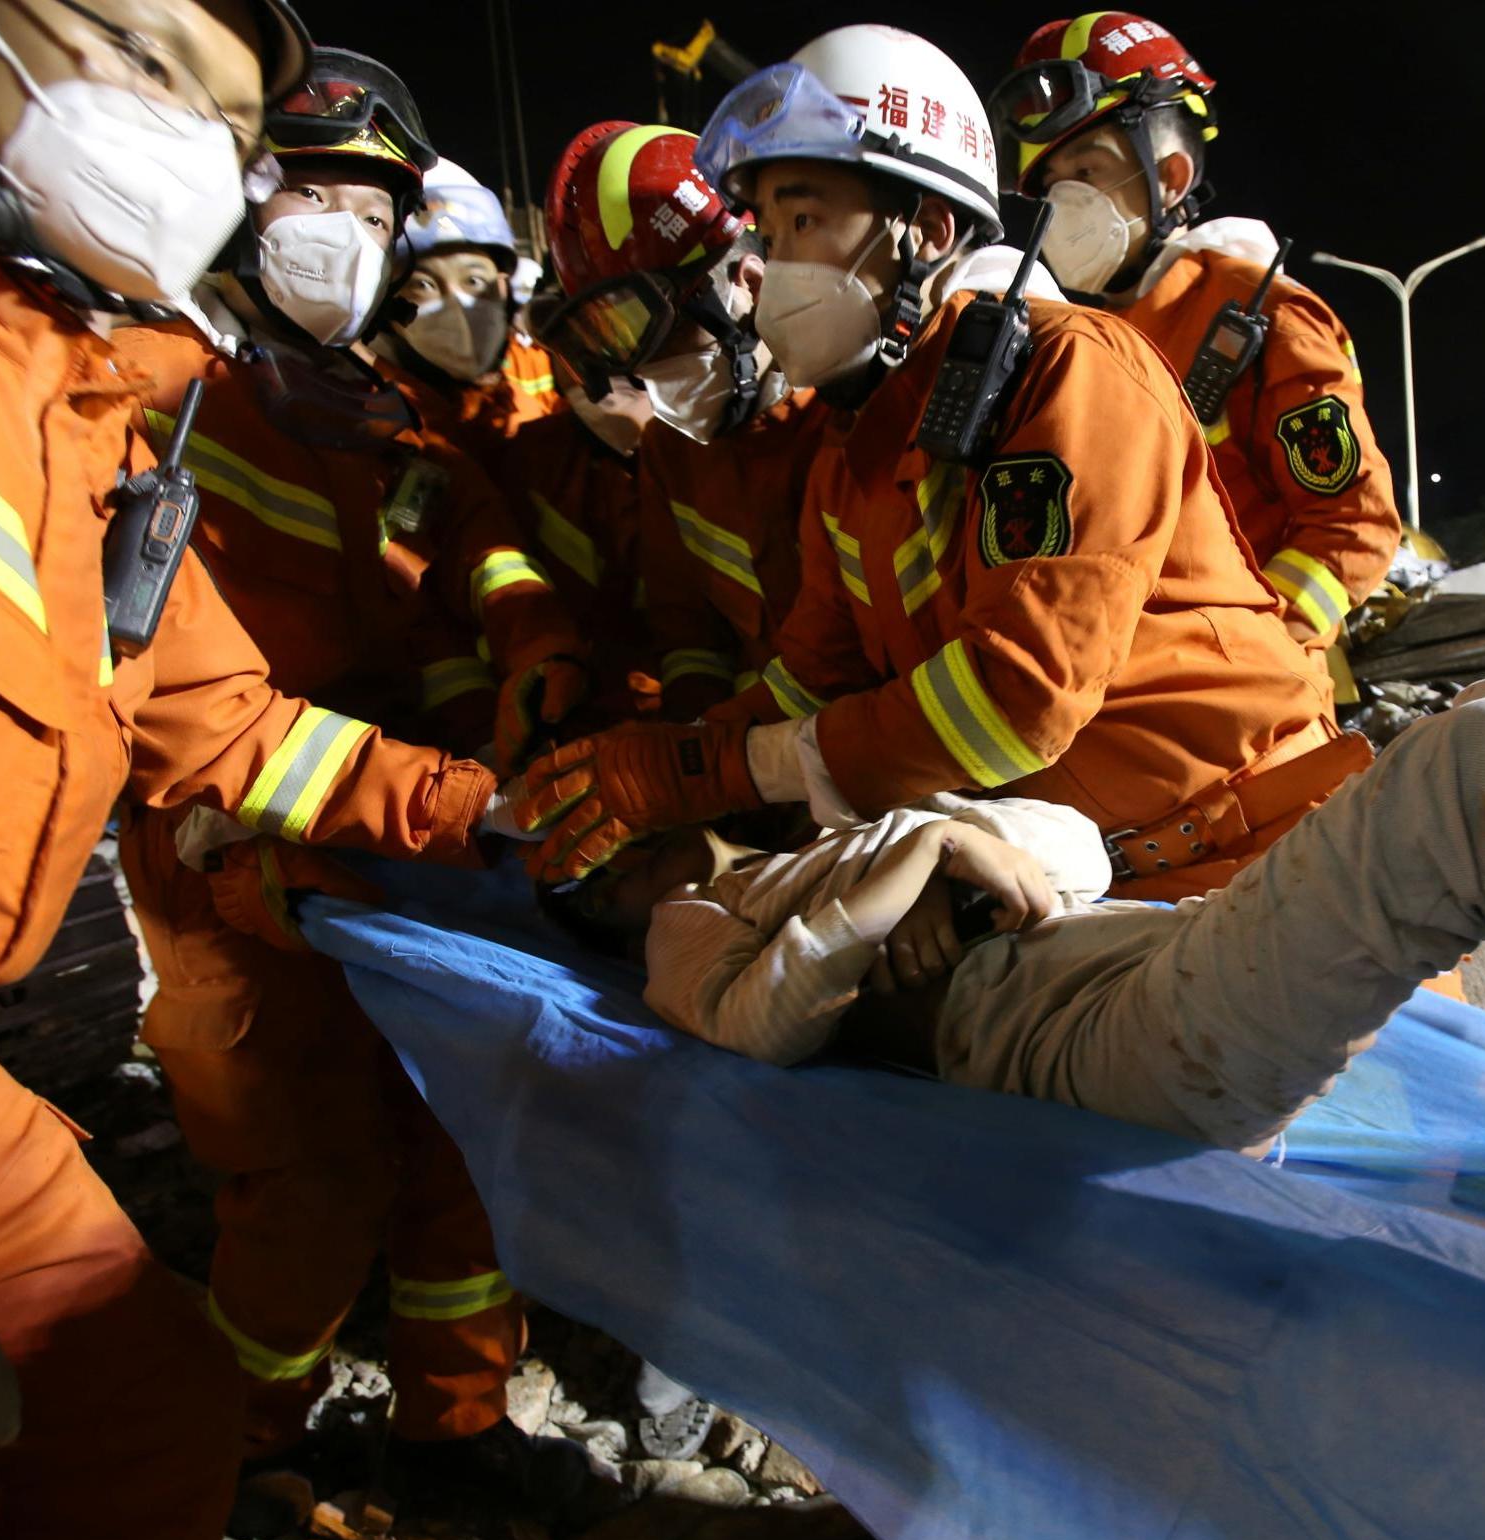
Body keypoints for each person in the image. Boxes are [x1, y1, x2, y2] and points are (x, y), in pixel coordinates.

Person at [0, 2, 534, 1540]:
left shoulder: (71, 396)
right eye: (138, 57)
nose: (181, 144)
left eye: (221, 116)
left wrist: (492, 812)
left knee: (134, 1417)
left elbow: (230, 722)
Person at [560, 660, 1485, 1413]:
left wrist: (972, 856)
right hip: (1088, 1058)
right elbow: (760, 1025)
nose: (635, 854)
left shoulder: (793, 843)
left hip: (1127, 954)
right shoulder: (692, 922)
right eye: (599, 859)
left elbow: (1073, 848)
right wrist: (901, 878)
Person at [520, 26, 1369, 903]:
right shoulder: (855, 455)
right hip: (1102, 883)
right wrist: (667, 767)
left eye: (804, 219)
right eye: (768, 233)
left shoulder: (1069, 373)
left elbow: (1016, 698)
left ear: (926, 227)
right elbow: (815, 676)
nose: (772, 271)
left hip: (1279, 864)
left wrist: (718, 771)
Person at [107, 46, 580, 1489]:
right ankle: (230, 1449)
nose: (350, 238)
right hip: (223, 854)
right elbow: (202, 714)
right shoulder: (154, 392)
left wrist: (531, 651)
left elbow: (472, 563)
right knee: (308, 1178)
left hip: (379, 836)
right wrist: (464, 802)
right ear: (244, 196)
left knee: (460, 1130)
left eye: (380, 214)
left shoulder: (375, 420)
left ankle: (453, 1425)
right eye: (320, 194)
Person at [986, 13, 1401, 677]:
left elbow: (1354, 525)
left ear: (1171, 177)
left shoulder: (1263, 316)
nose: (1065, 205)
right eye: (1052, 185)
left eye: (1087, 172)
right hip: (1118, 699)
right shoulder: (1076, 343)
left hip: (1247, 719)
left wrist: (1250, 655)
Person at [537, 119, 832, 722]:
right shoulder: (673, 450)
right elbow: (685, 625)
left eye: (665, 327)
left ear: (748, 283)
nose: (654, 367)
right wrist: (698, 737)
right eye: (624, 341)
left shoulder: (851, 420)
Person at [372, 155, 559, 474]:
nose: (457, 305)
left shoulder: (547, 370)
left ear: (503, 287)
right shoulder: (376, 430)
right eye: (424, 285)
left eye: (473, 280)